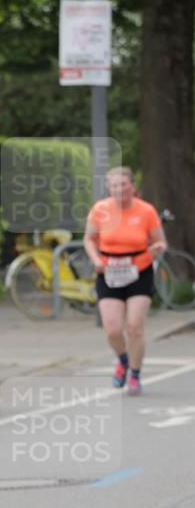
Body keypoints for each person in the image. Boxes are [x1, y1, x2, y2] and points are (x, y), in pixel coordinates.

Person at [83, 166, 167, 396]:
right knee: (112, 329)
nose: (120, 189)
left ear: (132, 186)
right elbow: (89, 239)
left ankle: (136, 375)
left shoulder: (146, 211)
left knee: (135, 326)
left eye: (124, 184)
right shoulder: (100, 210)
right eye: (115, 185)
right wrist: (95, 258)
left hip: (139, 270)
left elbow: (160, 241)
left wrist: (158, 248)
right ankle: (123, 360)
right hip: (108, 271)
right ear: (109, 188)